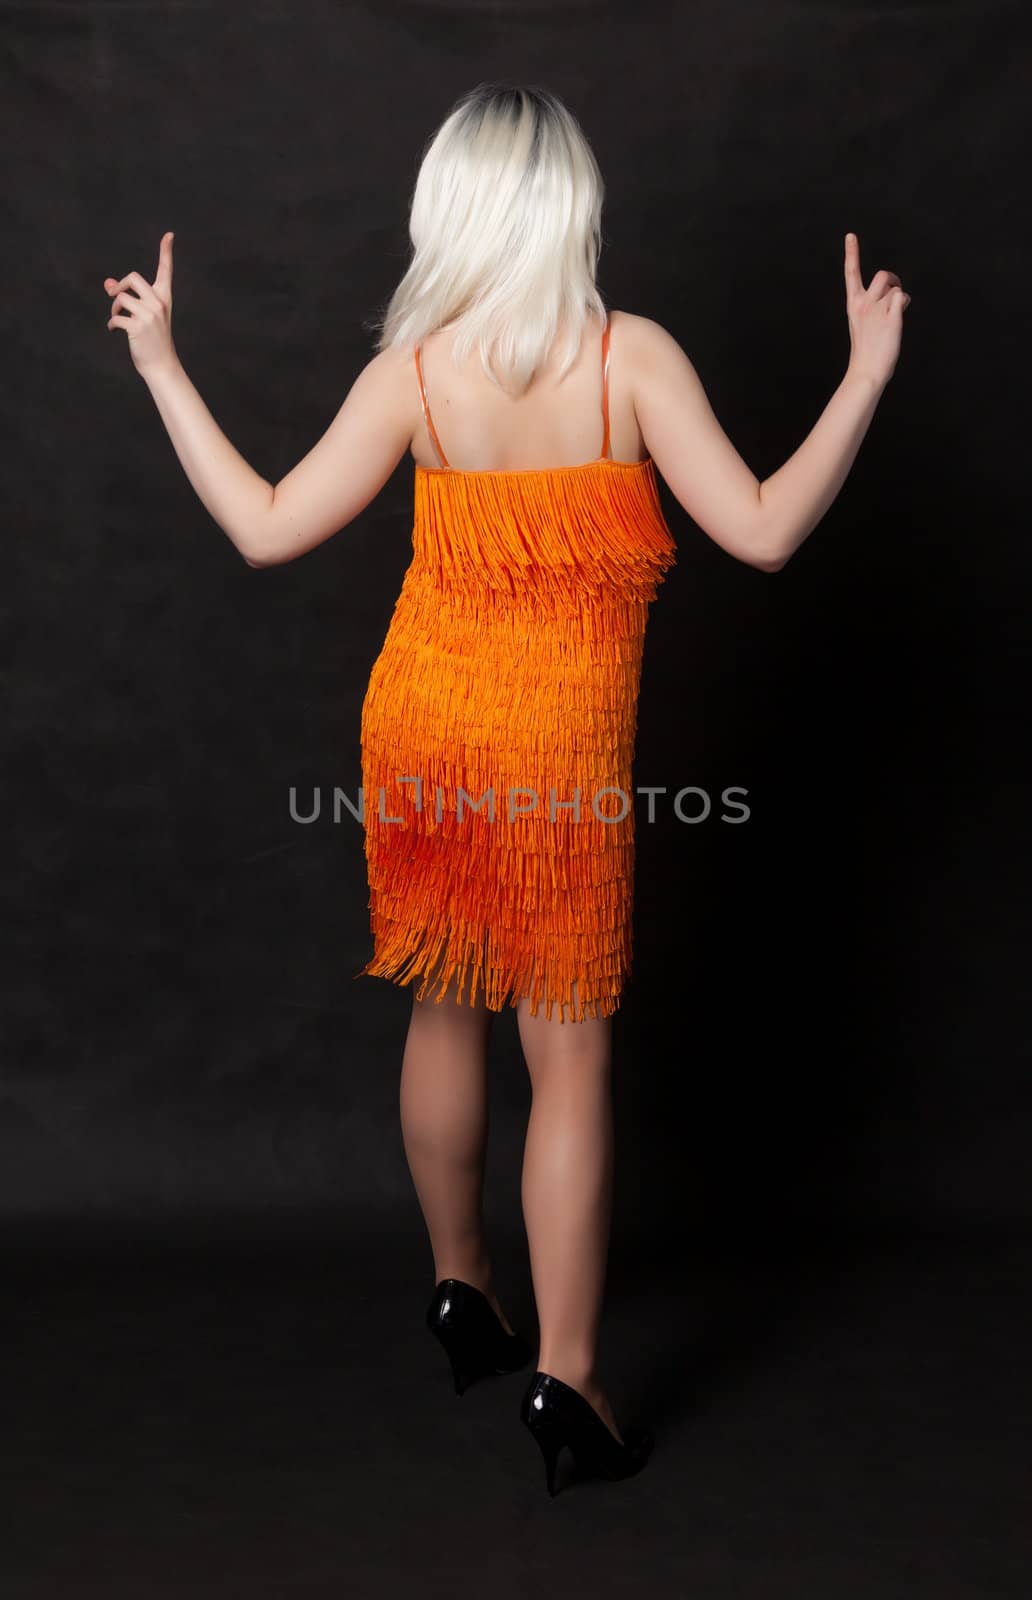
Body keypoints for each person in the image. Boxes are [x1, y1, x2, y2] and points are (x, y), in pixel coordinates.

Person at [103, 82, 909, 1495]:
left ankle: (464, 1285)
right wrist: (864, 372)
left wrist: (166, 365)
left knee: (441, 994)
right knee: (570, 1051)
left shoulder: (414, 370)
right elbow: (769, 532)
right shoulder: (629, 360)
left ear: (452, 209)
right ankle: (574, 1380)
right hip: (558, 754)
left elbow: (267, 527)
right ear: (572, 209)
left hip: (417, 725)